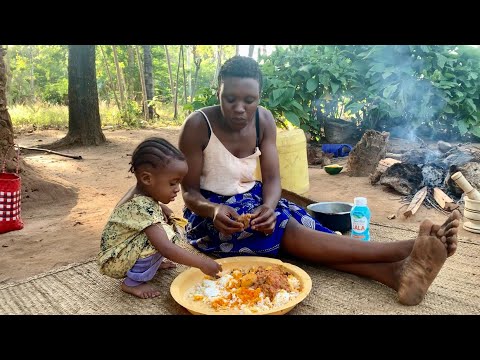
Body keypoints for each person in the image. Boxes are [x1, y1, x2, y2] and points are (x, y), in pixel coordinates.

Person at [178, 55, 460, 306]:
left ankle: (398, 275)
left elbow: (274, 180)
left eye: (249, 100)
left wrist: (268, 206)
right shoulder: (197, 126)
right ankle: (405, 248)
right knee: (289, 233)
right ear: (219, 92)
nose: (240, 108)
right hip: (212, 216)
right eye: (230, 99)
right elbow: (189, 193)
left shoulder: (263, 121)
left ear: (260, 97)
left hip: (254, 199)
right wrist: (213, 210)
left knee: (309, 232)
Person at [97, 137, 222, 299]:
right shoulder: (140, 206)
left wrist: (164, 210)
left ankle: (150, 264)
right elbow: (166, 249)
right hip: (115, 260)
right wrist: (202, 263)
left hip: (122, 250)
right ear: (147, 178)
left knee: (167, 225)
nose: (177, 189)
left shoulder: (141, 193)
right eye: (173, 183)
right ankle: (132, 283)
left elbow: (151, 209)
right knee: (161, 237)